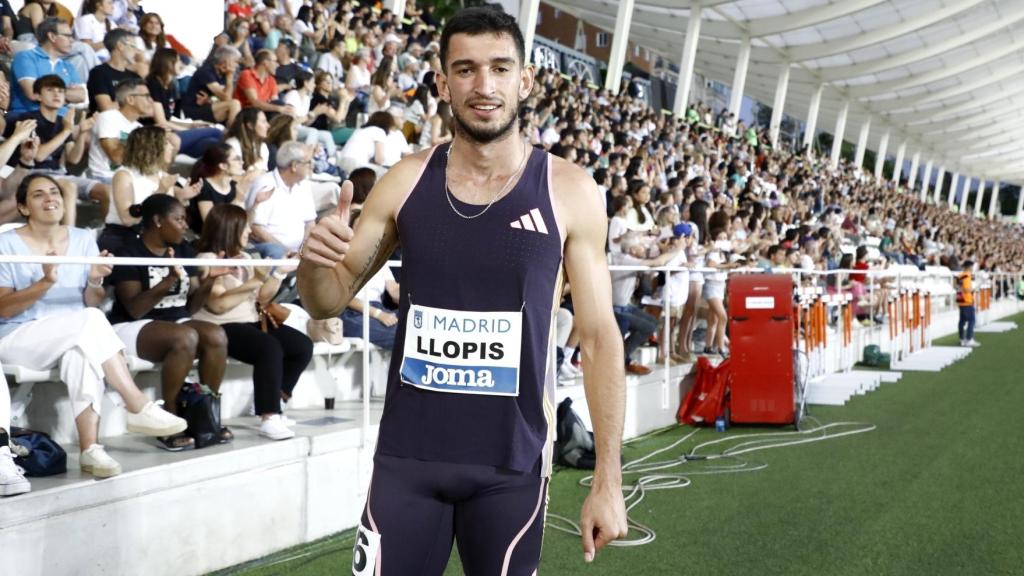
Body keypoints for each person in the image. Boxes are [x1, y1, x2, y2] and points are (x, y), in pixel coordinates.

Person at [297, 8, 627, 574]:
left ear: (524, 80)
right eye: (466, 69)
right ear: (443, 81)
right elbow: (326, 300)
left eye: (500, 69)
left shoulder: (569, 191)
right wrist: (313, 260)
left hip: (511, 468)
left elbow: (597, 337)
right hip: (407, 460)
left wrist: (608, 479)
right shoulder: (405, 181)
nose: (484, 86)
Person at [0, 174, 188, 477]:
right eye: (38, 195)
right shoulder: (5, 243)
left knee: (82, 353)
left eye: (54, 191)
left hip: (74, 331)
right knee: (89, 324)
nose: (50, 198)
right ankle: (136, 403)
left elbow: (91, 301)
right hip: (17, 334)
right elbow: (3, 308)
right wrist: (46, 282)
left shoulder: (83, 239)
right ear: (23, 207)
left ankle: (91, 450)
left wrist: (95, 279)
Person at [107, 194, 231, 450]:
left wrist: (210, 280)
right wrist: (167, 281)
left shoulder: (185, 250)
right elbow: (134, 309)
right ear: (158, 221)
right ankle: (170, 417)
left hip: (176, 321)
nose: (185, 226)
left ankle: (204, 412)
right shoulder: (129, 252)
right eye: (179, 219)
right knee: (184, 337)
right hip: (131, 327)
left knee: (216, 335)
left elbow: (192, 307)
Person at [193, 204, 312, 440]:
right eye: (245, 226)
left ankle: (277, 399)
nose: (249, 231)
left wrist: (279, 273)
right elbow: (218, 305)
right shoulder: (207, 259)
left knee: (301, 345)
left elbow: (262, 297)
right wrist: (255, 280)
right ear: (230, 228)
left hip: (249, 321)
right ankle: (269, 417)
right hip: (219, 326)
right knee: (269, 348)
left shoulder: (246, 257)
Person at [7, 74, 109, 225]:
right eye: (50, 90)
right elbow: (39, 155)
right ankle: (69, 236)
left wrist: (82, 133)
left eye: (61, 91)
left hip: (60, 174)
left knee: (105, 190)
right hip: (31, 174)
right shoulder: (28, 119)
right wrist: (67, 131)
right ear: (38, 96)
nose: (57, 94)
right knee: (69, 187)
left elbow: (73, 158)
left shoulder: (63, 123)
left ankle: (107, 234)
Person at [246, 141, 316, 259]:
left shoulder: (304, 185)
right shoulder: (265, 184)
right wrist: (287, 251)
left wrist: (303, 249)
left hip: (300, 252)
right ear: (294, 165)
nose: (312, 166)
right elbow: (256, 229)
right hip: (273, 251)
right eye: (308, 162)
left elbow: (310, 223)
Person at [9, 17, 88, 118]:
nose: (72, 40)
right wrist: (66, 93)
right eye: (67, 36)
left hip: (61, 119)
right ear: (52, 36)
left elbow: (81, 96)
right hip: (29, 117)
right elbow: (33, 93)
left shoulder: (68, 66)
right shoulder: (26, 57)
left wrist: (48, 92)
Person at [957, 259, 979, 347]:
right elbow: (966, 288)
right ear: (969, 267)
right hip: (967, 300)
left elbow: (958, 287)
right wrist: (973, 289)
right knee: (971, 320)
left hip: (961, 300)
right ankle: (969, 339)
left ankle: (962, 339)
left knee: (962, 321)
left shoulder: (960, 275)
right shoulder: (966, 275)